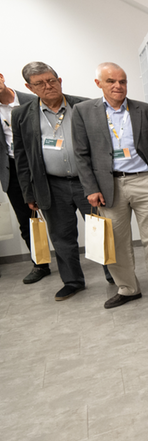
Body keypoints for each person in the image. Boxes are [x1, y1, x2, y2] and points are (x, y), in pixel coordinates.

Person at [72, 63, 148, 309]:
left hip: (145, 181)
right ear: (98, 83)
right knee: (116, 242)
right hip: (109, 186)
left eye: (123, 81)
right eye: (111, 81)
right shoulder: (83, 111)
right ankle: (128, 288)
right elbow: (81, 155)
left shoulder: (146, 111)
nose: (118, 86)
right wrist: (91, 188)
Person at [12, 62, 113, 301]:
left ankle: (115, 276)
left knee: (101, 231)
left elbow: (103, 145)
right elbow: (22, 156)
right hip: (51, 185)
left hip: (88, 183)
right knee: (62, 237)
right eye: (40, 83)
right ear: (29, 87)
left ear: (59, 81)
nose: (48, 86)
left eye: (51, 80)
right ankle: (72, 281)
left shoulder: (85, 106)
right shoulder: (21, 114)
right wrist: (28, 193)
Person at [0, 71, 46, 283]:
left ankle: (104, 263)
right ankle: (40, 264)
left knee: (64, 214)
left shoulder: (32, 99)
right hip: (12, 169)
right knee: (27, 221)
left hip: (43, 164)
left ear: (1, 76)